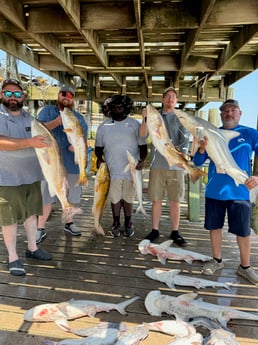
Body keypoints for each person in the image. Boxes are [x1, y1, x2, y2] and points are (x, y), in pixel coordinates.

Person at [193, 99, 258, 285]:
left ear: (240, 112)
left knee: (243, 232)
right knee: (215, 228)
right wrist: (202, 148)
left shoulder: (250, 133)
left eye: (233, 110)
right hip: (215, 190)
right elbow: (197, 162)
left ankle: (245, 267)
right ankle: (217, 260)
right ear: (221, 115)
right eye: (225, 111)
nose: (229, 113)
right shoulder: (212, 133)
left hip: (241, 192)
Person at [0, 78, 52, 276]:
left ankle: (33, 248)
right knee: (9, 219)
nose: (13, 97)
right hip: (7, 179)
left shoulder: (30, 118)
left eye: (17, 94)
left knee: (32, 215)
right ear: (2, 95)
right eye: (8, 93)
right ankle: (12, 257)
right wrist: (31, 142)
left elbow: (44, 138)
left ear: (23, 96)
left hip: (32, 177)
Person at [36, 85, 88, 243]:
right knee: (47, 197)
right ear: (58, 95)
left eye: (70, 96)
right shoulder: (46, 112)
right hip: (50, 164)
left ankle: (69, 223)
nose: (67, 97)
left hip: (72, 164)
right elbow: (38, 129)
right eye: (63, 94)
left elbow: (83, 140)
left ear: (73, 99)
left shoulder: (78, 117)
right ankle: (40, 228)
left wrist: (78, 147)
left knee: (71, 196)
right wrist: (57, 121)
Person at [139, 87, 190, 246]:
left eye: (173, 97)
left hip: (176, 165)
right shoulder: (155, 116)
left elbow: (186, 141)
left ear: (176, 101)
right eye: (167, 96)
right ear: (162, 100)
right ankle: (155, 230)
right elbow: (142, 135)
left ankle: (175, 232)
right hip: (157, 165)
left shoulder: (181, 117)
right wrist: (145, 119)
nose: (170, 99)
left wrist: (184, 157)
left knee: (175, 201)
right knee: (157, 199)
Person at [95, 94, 147, 237]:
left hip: (132, 170)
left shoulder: (135, 124)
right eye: (114, 106)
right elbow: (98, 149)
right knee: (115, 198)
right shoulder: (103, 126)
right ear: (109, 109)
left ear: (126, 108)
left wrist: (142, 160)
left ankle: (128, 222)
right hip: (111, 170)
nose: (117, 109)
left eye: (120, 106)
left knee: (128, 198)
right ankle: (116, 221)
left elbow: (143, 147)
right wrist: (99, 159)